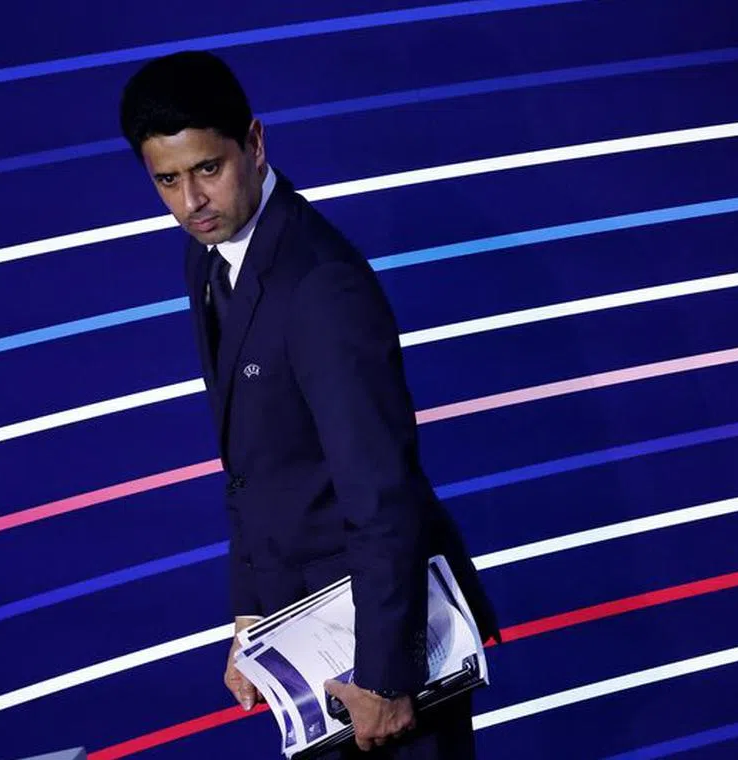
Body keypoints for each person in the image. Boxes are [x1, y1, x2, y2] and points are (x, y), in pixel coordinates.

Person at [118, 50, 500, 759]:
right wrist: (250, 618)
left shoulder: (321, 285)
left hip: (382, 657)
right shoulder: (207, 255)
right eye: (167, 180)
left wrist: (387, 678)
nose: (191, 201)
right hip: (306, 643)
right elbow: (252, 464)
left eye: (208, 168)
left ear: (255, 144)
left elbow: (380, 486)